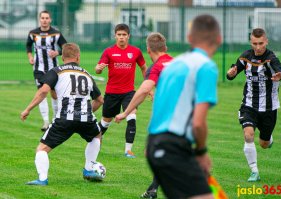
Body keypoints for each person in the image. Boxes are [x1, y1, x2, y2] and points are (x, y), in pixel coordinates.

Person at [146, 15, 221, 199]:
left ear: (189, 38)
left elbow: (159, 107)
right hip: (174, 147)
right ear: (219, 39)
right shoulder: (206, 67)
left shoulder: (173, 65)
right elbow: (198, 123)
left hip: (154, 144)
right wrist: (202, 151)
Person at [20, 43, 104, 185]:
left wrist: (27, 109)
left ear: (62, 57)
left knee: (42, 149)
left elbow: (43, 91)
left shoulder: (56, 71)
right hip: (86, 118)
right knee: (96, 135)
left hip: (64, 118)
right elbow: (100, 100)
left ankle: (42, 179)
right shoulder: (87, 74)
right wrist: (86, 111)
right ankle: (89, 168)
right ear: (78, 57)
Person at [115, 32, 173, 199]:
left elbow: (144, 89)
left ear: (148, 50)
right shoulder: (177, 63)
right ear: (166, 48)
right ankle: (153, 190)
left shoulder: (157, 67)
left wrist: (125, 112)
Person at [226, 28, 281, 182]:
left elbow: (280, 71)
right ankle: (254, 171)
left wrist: (279, 75)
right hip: (249, 104)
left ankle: (268, 139)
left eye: (261, 43)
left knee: (263, 144)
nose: (258, 47)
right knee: (248, 134)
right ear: (250, 42)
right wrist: (230, 73)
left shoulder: (271, 58)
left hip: (269, 108)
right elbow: (233, 71)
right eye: (254, 43)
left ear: (266, 41)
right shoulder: (246, 56)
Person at [95, 23, 147, 158]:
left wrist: (149, 86)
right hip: (112, 92)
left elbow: (143, 68)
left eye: (124, 35)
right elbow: (98, 69)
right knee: (106, 122)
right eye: (119, 35)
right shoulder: (109, 51)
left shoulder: (135, 52)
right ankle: (94, 141)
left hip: (129, 93)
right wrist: (99, 69)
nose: (121, 37)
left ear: (128, 36)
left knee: (132, 117)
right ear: (115, 36)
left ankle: (128, 150)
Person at [26, 10, 67, 131]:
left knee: (54, 94)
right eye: (42, 18)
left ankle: (55, 119)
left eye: (47, 18)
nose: (44, 20)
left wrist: (57, 52)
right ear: (40, 19)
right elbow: (28, 45)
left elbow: (66, 46)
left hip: (53, 69)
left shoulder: (56, 34)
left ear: (50, 20)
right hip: (38, 68)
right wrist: (30, 57)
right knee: (41, 94)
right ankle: (45, 121)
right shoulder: (33, 33)